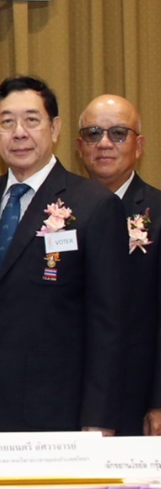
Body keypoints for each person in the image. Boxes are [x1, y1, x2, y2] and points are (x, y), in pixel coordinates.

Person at [0, 76, 126, 435]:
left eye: (32, 120)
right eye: (7, 122)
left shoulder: (95, 206)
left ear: (55, 128)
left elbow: (108, 324)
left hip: (58, 416)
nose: (19, 133)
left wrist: (98, 419)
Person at [76, 94, 161, 436]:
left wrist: (159, 401)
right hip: (71, 394)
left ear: (139, 146)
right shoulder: (59, 212)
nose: (104, 143)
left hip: (138, 395)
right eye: (93, 133)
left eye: (118, 133)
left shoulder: (157, 211)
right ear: (79, 146)